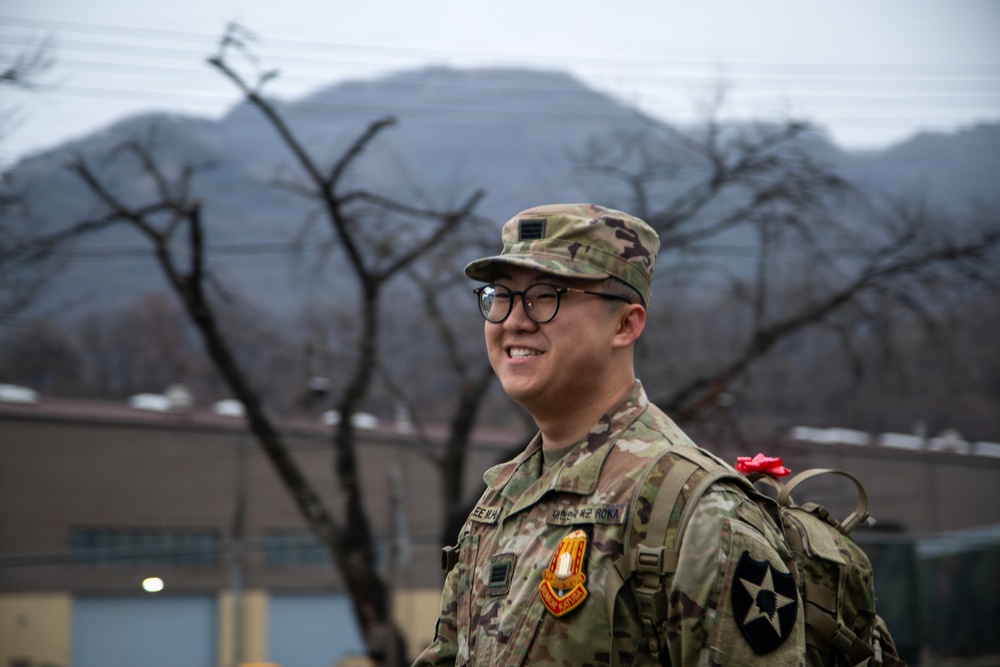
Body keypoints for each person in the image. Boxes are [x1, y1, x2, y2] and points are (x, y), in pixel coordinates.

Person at [413, 203, 805, 666]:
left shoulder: (693, 509)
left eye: (546, 294)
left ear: (625, 324)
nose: (514, 320)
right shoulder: (498, 503)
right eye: (501, 295)